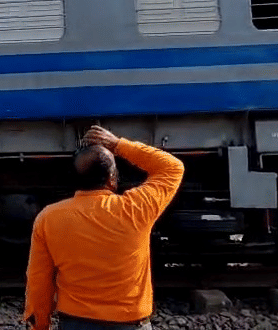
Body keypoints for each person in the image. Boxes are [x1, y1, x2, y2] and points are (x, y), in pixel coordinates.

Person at [24, 126, 185, 330]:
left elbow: (39, 281)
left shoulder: (48, 217)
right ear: (111, 178)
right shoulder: (136, 208)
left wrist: (39, 325)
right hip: (130, 324)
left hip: (76, 323)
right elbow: (172, 167)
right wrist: (118, 144)